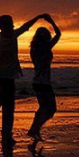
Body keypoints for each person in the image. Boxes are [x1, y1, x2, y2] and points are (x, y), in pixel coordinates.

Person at [0, 13, 49, 149]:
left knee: (9, 109)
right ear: (3, 27)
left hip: (10, 78)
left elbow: (25, 27)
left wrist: (38, 17)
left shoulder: (13, 35)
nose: (13, 26)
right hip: (0, 80)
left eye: (13, 23)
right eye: (10, 24)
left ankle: (7, 136)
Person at [27, 14, 61, 148]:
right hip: (43, 83)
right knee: (51, 109)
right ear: (46, 37)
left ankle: (34, 129)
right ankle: (33, 129)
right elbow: (58, 34)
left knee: (44, 108)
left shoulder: (34, 48)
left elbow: (57, 35)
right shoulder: (45, 47)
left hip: (38, 82)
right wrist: (51, 20)